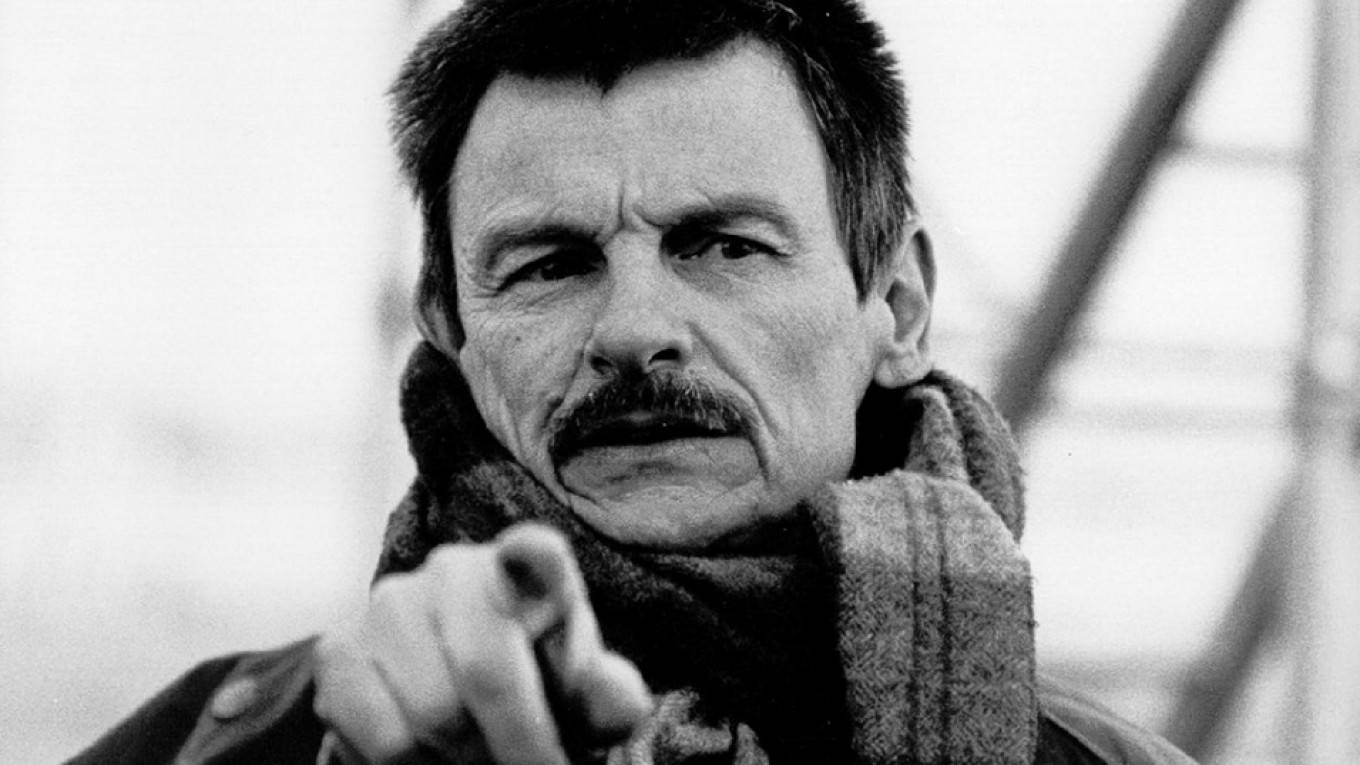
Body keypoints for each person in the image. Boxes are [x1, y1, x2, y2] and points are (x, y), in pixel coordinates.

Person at [69, 1, 1196, 763]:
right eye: (550, 264)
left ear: (895, 310)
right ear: (451, 331)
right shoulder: (215, 747)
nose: (634, 331)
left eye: (725, 246)